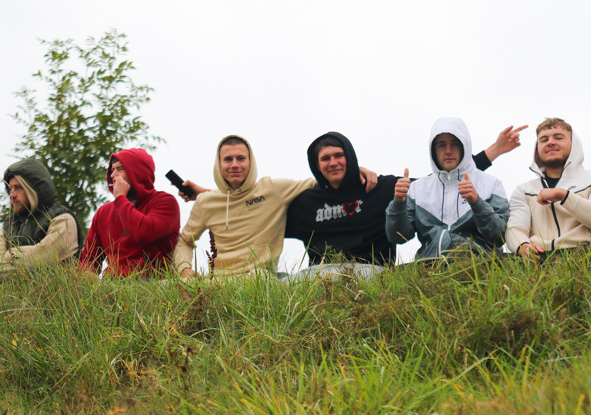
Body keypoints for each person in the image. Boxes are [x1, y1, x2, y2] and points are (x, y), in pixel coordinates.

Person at [285, 125, 525, 269]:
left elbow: (444, 181)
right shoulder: (305, 203)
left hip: (372, 274)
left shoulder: (382, 187)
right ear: (316, 165)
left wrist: (493, 151)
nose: (333, 162)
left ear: (350, 156)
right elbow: (265, 223)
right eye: (325, 159)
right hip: (319, 278)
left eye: (339, 155)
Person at [175, 135, 378, 278]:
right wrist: (185, 270)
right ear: (219, 164)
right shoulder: (206, 201)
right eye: (228, 159)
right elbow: (184, 240)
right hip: (216, 281)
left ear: (250, 161)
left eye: (241, 158)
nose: (234, 164)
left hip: (257, 279)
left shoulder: (273, 190)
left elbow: (320, 179)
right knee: (167, 288)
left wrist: (353, 168)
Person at [385, 117, 509, 260]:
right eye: (442, 145)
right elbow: (397, 236)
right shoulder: (417, 188)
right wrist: (398, 203)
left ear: (465, 146)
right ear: (433, 150)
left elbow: (500, 236)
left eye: (455, 144)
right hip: (429, 270)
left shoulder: (492, 184)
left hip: (481, 269)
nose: (448, 151)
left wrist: (477, 203)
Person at [506, 117, 591, 261]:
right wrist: (522, 245)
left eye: (558, 137)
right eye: (544, 140)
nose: (551, 142)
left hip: (585, 253)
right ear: (537, 149)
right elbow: (516, 227)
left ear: (573, 144)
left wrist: (564, 196)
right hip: (538, 257)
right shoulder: (524, 190)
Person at [79, 149, 180, 277]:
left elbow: (142, 233)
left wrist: (121, 198)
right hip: (113, 287)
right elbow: (89, 258)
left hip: (155, 284)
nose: (112, 175)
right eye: (112, 170)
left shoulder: (164, 202)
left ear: (137, 172)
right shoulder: (104, 212)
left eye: (120, 169)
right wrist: (90, 285)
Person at [1, 159, 83, 273]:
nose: (12, 195)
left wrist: (10, 255)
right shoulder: (9, 224)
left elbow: (44, 257)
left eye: (18, 188)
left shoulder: (63, 219)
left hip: (55, 290)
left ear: (32, 189)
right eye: (10, 189)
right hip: (11, 291)